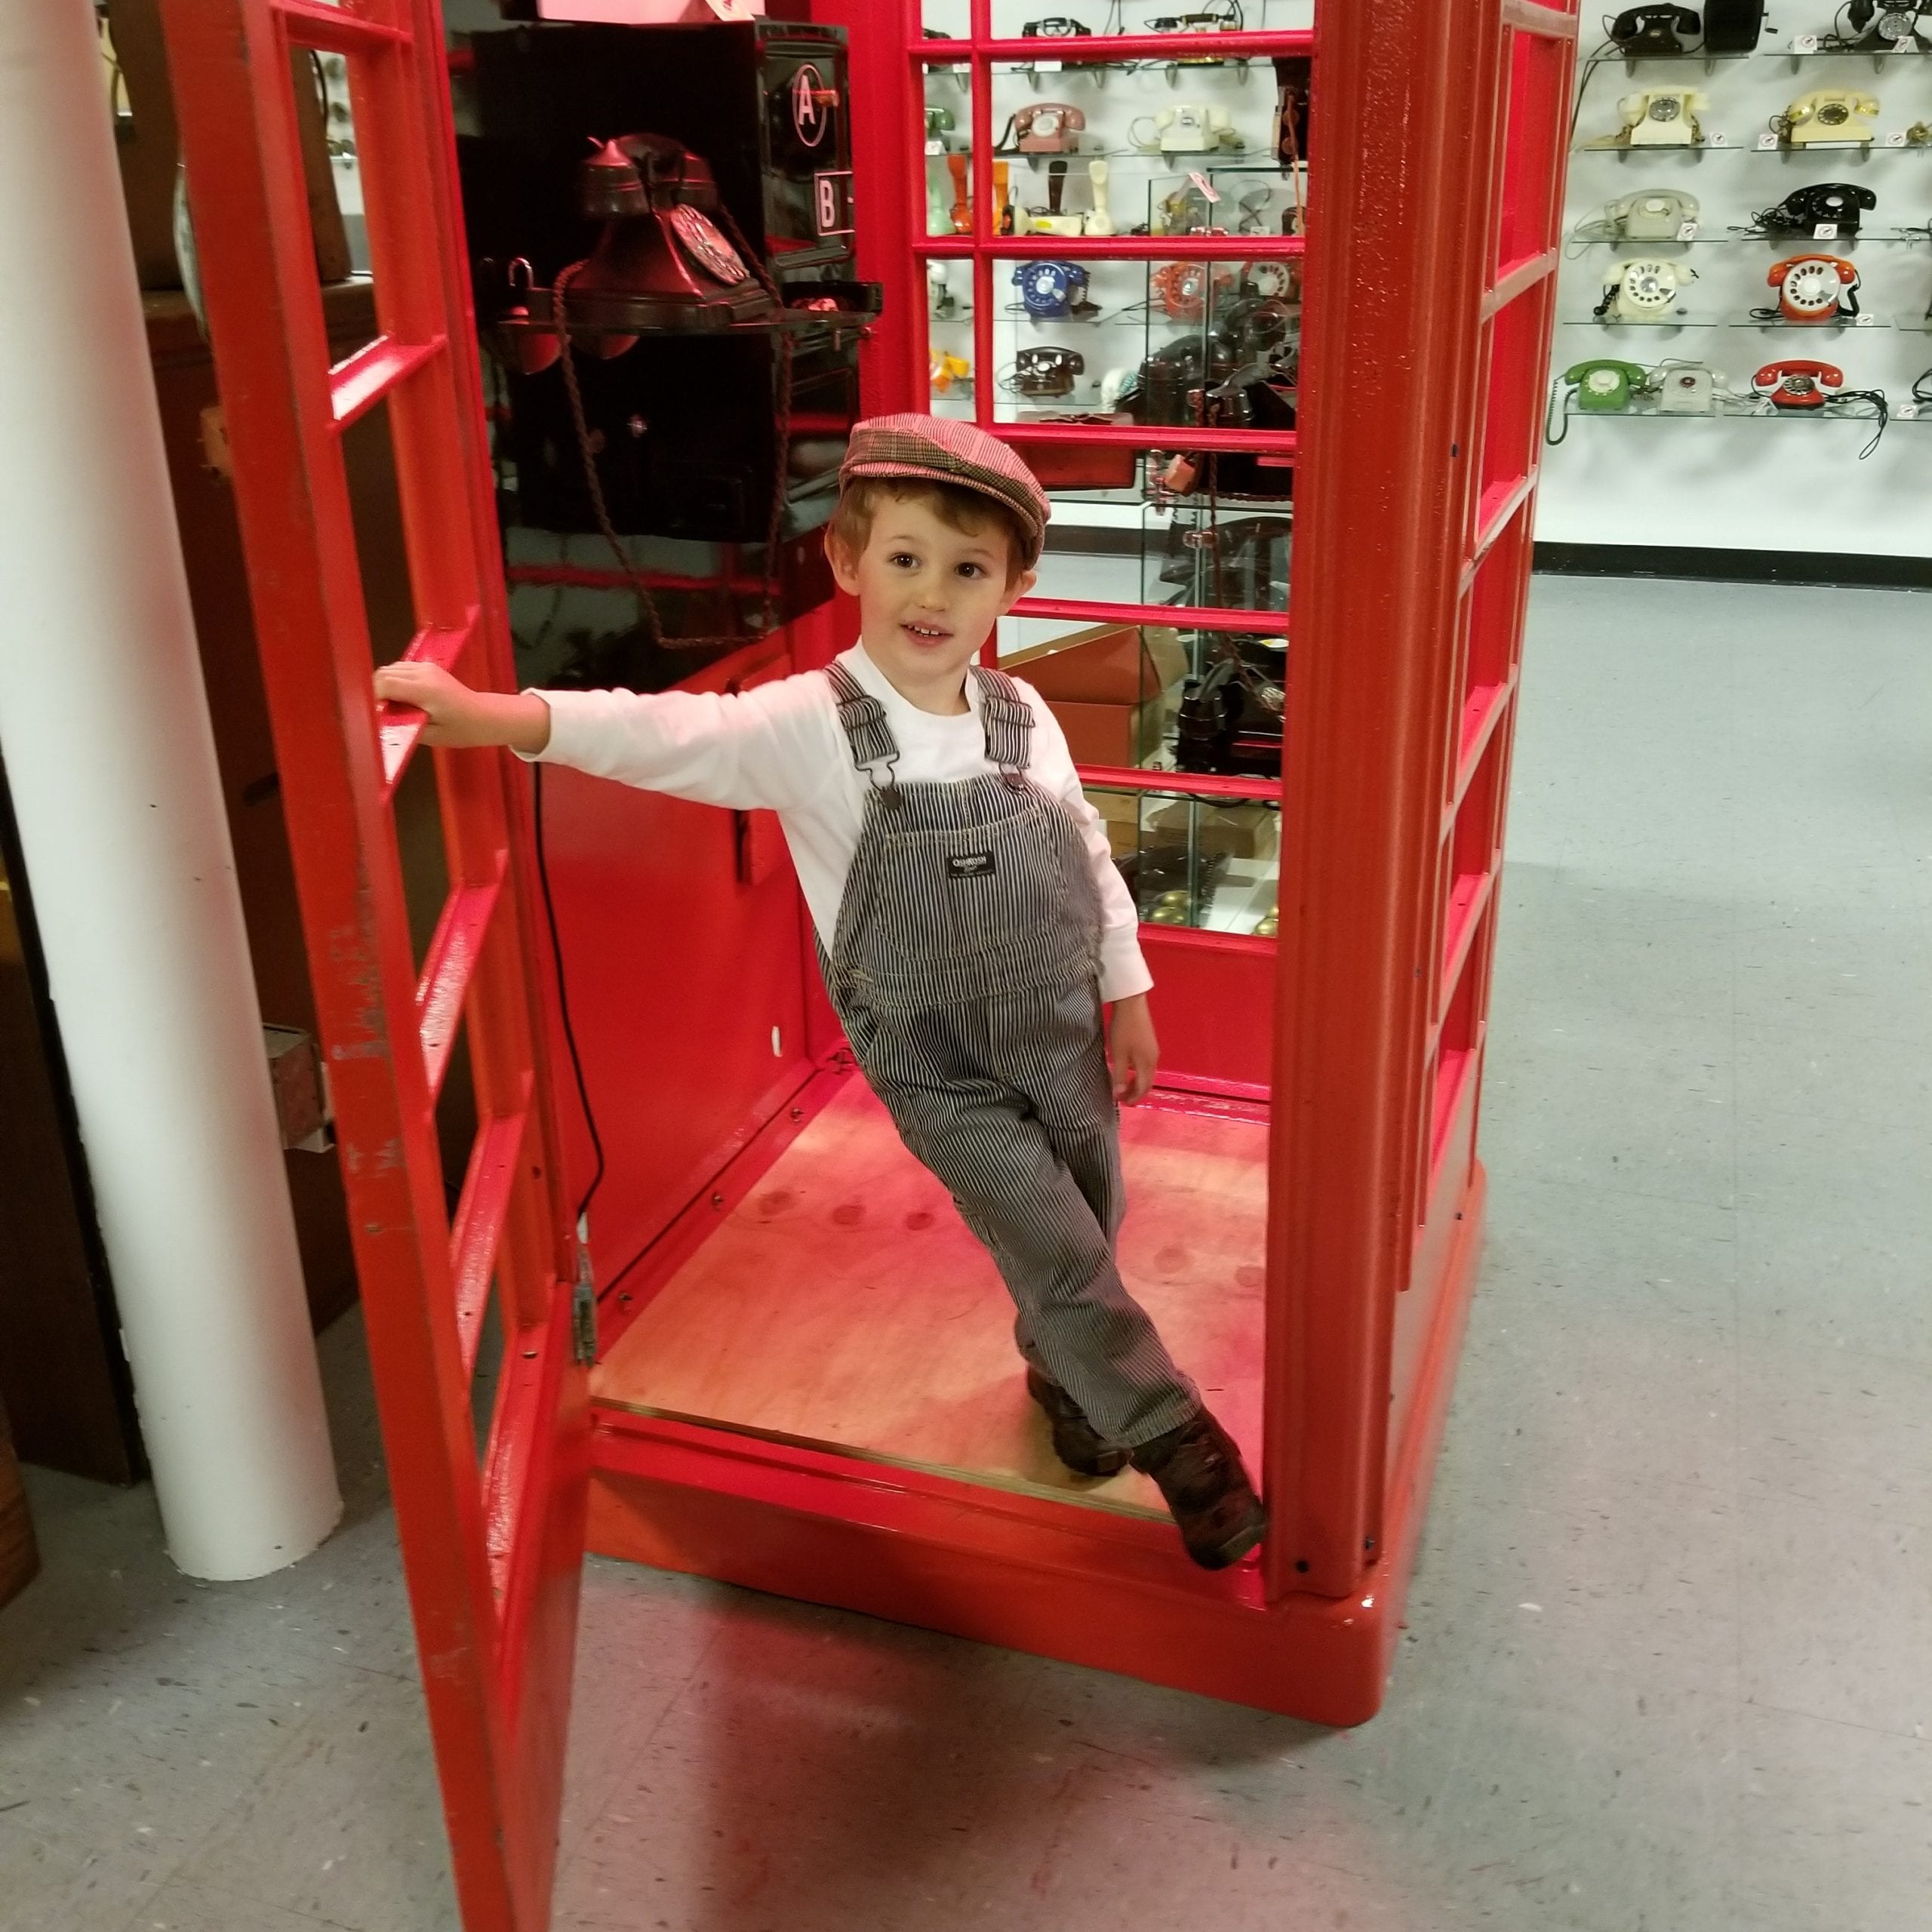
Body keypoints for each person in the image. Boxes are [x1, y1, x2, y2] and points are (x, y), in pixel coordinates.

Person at [374, 414, 1266, 1569]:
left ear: (1015, 584)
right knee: (1052, 1243)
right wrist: (493, 717)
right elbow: (660, 730)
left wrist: (1128, 988)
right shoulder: (812, 725)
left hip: (1059, 1031)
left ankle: (1073, 1386)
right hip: (935, 1063)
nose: (932, 595)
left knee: (1088, 1225)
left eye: (967, 568)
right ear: (848, 560)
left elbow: (1087, 851)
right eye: (904, 559)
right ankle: (1177, 1438)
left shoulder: (1023, 714)